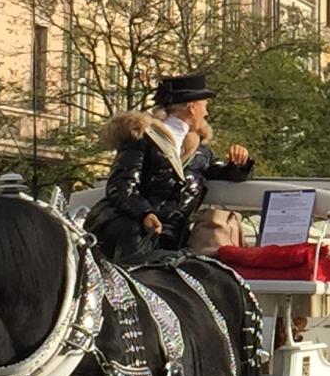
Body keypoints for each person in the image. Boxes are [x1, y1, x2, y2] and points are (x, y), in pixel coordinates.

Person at [90, 72, 254, 265]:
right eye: (205, 106)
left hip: (172, 239)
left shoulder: (200, 152)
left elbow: (226, 173)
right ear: (192, 107)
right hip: (137, 234)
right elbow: (121, 186)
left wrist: (240, 163)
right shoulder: (143, 139)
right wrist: (144, 214)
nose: (206, 113)